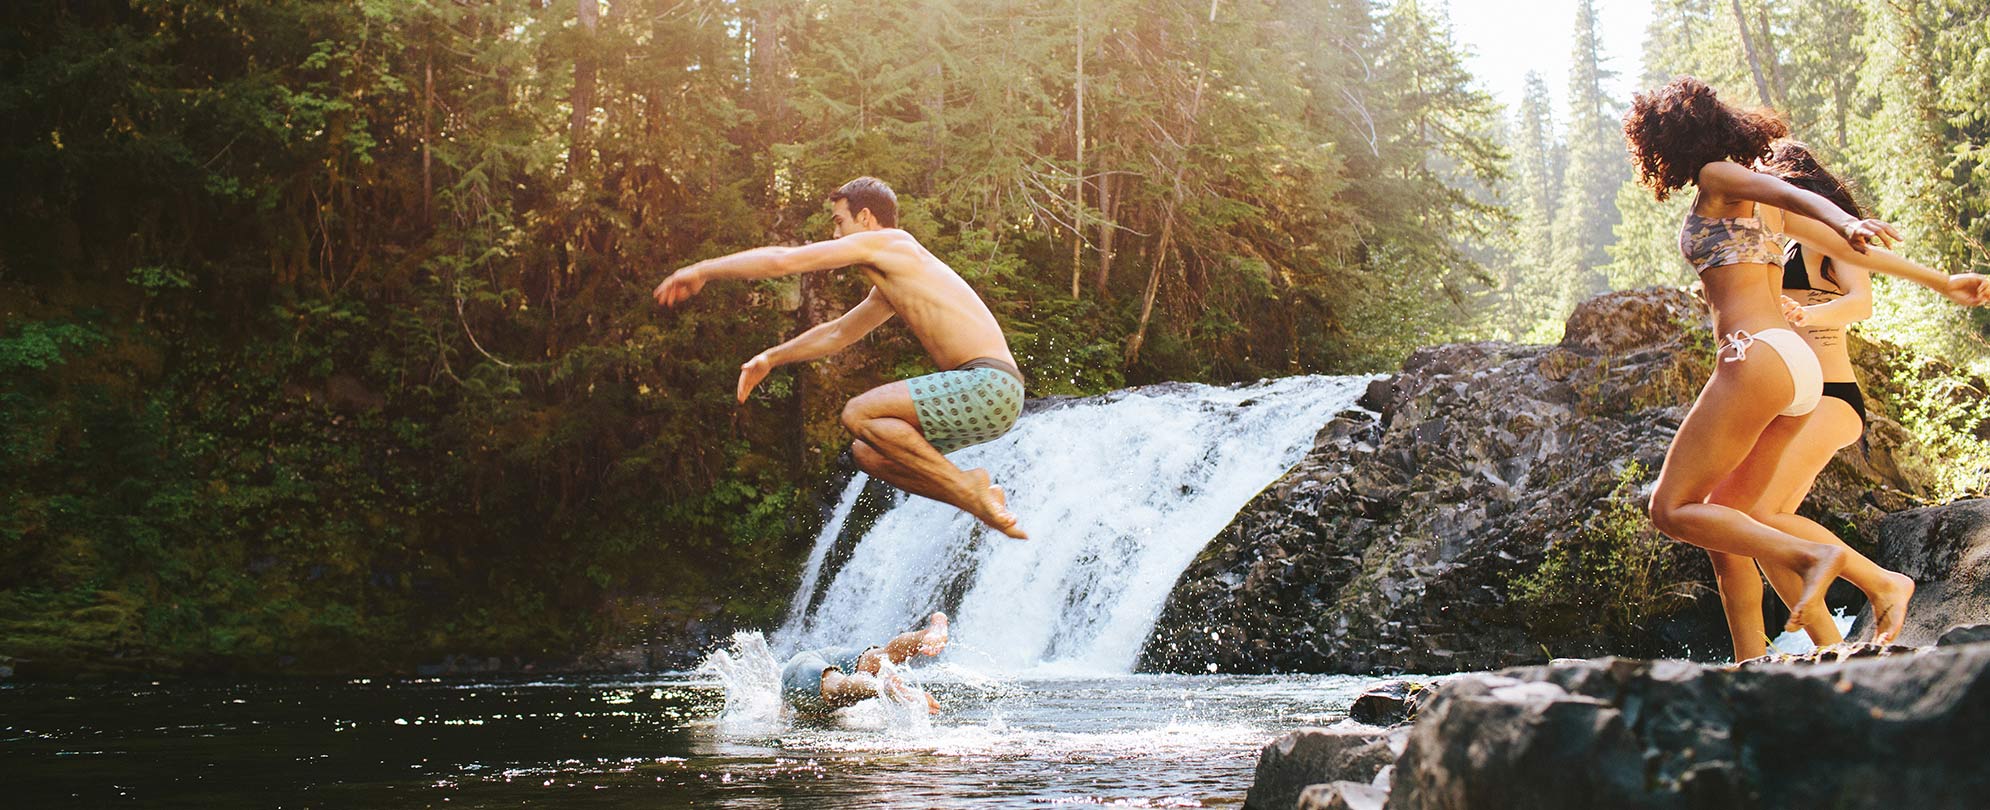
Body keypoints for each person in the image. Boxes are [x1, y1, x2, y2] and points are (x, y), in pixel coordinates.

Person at [1623, 76, 1919, 643]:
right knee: (1728, 517)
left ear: (1668, 137)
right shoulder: (1740, 199)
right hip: (1794, 362)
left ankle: (1815, 559)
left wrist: (1846, 221)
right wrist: (1941, 280)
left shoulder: (1716, 174)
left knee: (1670, 509)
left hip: (1756, 352)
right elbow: (1793, 209)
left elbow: (1792, 194)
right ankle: (1769, 653)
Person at [1702, 141, 1990, 659]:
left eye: (1764, 171)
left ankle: (1882, 583)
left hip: (1832, 394)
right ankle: (1824, 651)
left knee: (1759, 514)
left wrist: (1811, 315)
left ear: (1790, 175)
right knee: (1746, 523)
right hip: (1784, 394)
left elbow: (1862, 302)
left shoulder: (1833, 229)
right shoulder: (1771, 229)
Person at [654, 177, 1028, 539]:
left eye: (839, 222)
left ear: (865, 218)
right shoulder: (892, 280)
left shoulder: (895, 245)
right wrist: (771, 358)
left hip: (988, 384)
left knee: (858, 413)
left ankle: (970, 488)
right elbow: (838, 333)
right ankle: (972, 493)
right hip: (989, 400)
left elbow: (784, 261)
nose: (835, 235)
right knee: (868, 453)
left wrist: (702, 270)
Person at [779, 612, 950, 719]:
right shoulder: (799, 690)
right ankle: (927, 633)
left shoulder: (790, 698)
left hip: (805, 666)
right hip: (815, 663)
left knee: (843, 686)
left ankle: (885, 686)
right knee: (882, 656)